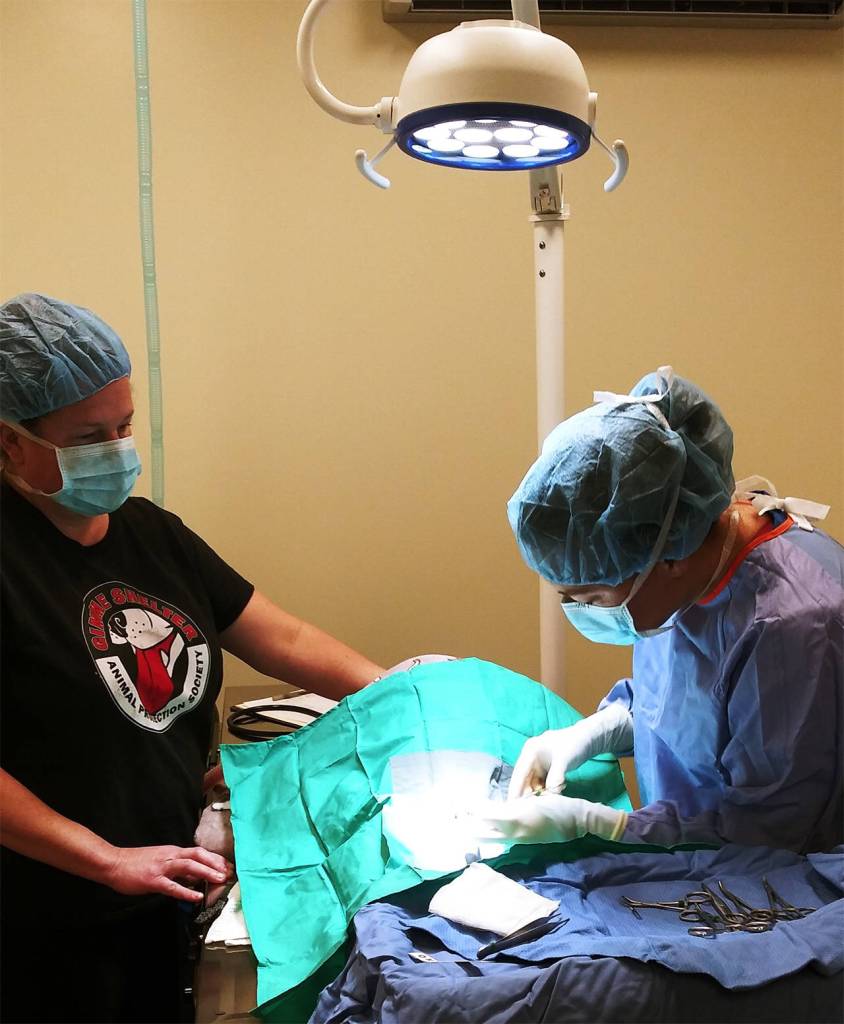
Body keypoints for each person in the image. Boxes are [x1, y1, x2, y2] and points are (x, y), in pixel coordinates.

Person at [0, 293, 385, 1023]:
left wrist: (398, 689)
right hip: (46, 919)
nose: (117, 450)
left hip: (162, 891)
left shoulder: (150, 533)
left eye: (124, 426)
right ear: (11, 442)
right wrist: (107, 859)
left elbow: (284, 640)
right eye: (89, 437)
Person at [480, 366, 842, 855]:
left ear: (667, 558)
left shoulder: (794, 631)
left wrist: (603, 826)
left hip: (770, 876)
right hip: (696, 855)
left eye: (593, 600)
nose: (582, 613)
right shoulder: (692, 570)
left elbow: (770, 832)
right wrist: (601, 728)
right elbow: (687, 707)